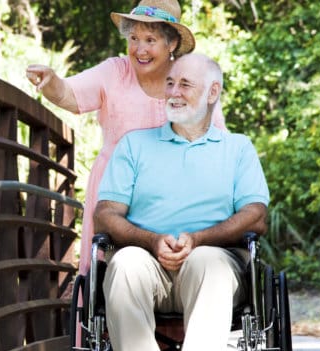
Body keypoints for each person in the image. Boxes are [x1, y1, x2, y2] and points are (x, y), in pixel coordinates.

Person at [25, 0, 226, 278]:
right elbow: (70, 94)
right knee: (112, 276)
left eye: (150, 40)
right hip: (115, 193)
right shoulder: (115, 71)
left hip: (176, 194)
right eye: (133, 38)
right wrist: (51, 81)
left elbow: (217, 140)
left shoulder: (190, 76)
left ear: (171, 43)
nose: (139, 49)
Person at [92, 53, 269, 351]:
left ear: (213, 92)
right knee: (124, 264)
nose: (173, 92)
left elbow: (256, 217)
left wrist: (198, 239)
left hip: (215, 259)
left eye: (185, 84)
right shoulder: (134, 145)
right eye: (170, 83)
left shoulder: (237, 148)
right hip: (145, 260)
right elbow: (105, 214)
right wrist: (151, 240)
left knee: (206, 260)